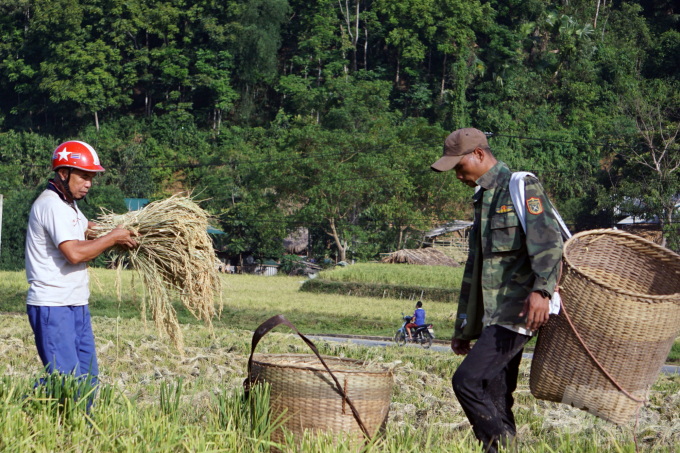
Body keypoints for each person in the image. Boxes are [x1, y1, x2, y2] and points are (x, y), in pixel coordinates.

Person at [431, 128, 562, 453]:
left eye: (459, 166)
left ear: (478, 154)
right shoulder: (483, 199)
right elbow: (474, 270)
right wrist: (465, 326)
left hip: (518, 311)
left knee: (467, 381)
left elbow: (548, 242)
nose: (458, 175)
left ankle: (502, 448)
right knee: (494, 394)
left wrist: (542, 292)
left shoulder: (520, 186)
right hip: (494, 316)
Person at [25, 140, 137, 387]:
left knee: (87, 381)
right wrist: (113, 238)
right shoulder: (51, 204)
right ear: (63, 173)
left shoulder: (69, 204)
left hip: (76, 303)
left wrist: (127, 231)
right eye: (84, 176)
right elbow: (74, 253)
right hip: (52, 305)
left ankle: (75, 424)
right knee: (67, 383)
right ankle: (25, 413)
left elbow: (88, 229)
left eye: (92, 178)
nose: (89, 183)